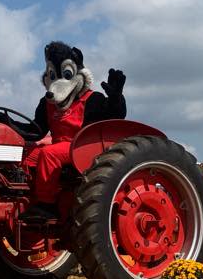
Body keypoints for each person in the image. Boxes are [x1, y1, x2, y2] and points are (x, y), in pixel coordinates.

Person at [7, 41, 126, 221]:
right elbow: (36, 130)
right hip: (60, 147)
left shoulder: (92, 99)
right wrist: (7, 123)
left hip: (82, 147)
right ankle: (22, 199)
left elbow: (114, 116)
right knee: (24, 154)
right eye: (52, 76)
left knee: (49, 154)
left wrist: (116, 97)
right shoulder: (48, 103)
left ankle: (47, 205)